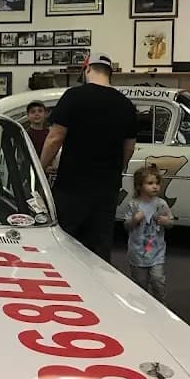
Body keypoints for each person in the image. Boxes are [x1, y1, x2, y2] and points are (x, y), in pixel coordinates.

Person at [40, 53, 136, 261]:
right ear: (110, 73)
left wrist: (40, 168)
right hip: (107, 188)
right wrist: (117, 169)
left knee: (64, 243)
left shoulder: (74, 96)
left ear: (87, 69)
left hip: (73, 185)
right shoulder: (126, 104)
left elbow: (55, 138)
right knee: (100, 246)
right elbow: (129, 147)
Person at [122, 166, 173, 303]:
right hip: (137, 252)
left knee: (157, 279)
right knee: (140, 282)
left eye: (157, 183)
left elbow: (171, 223)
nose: (155, 187)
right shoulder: (133, 204)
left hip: (157, 251)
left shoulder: (161, 204)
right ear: (139, 186)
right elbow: (126, 226)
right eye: (150, 183)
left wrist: (166, 221)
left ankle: (161, 304)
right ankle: (143, 306)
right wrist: (134, 220)